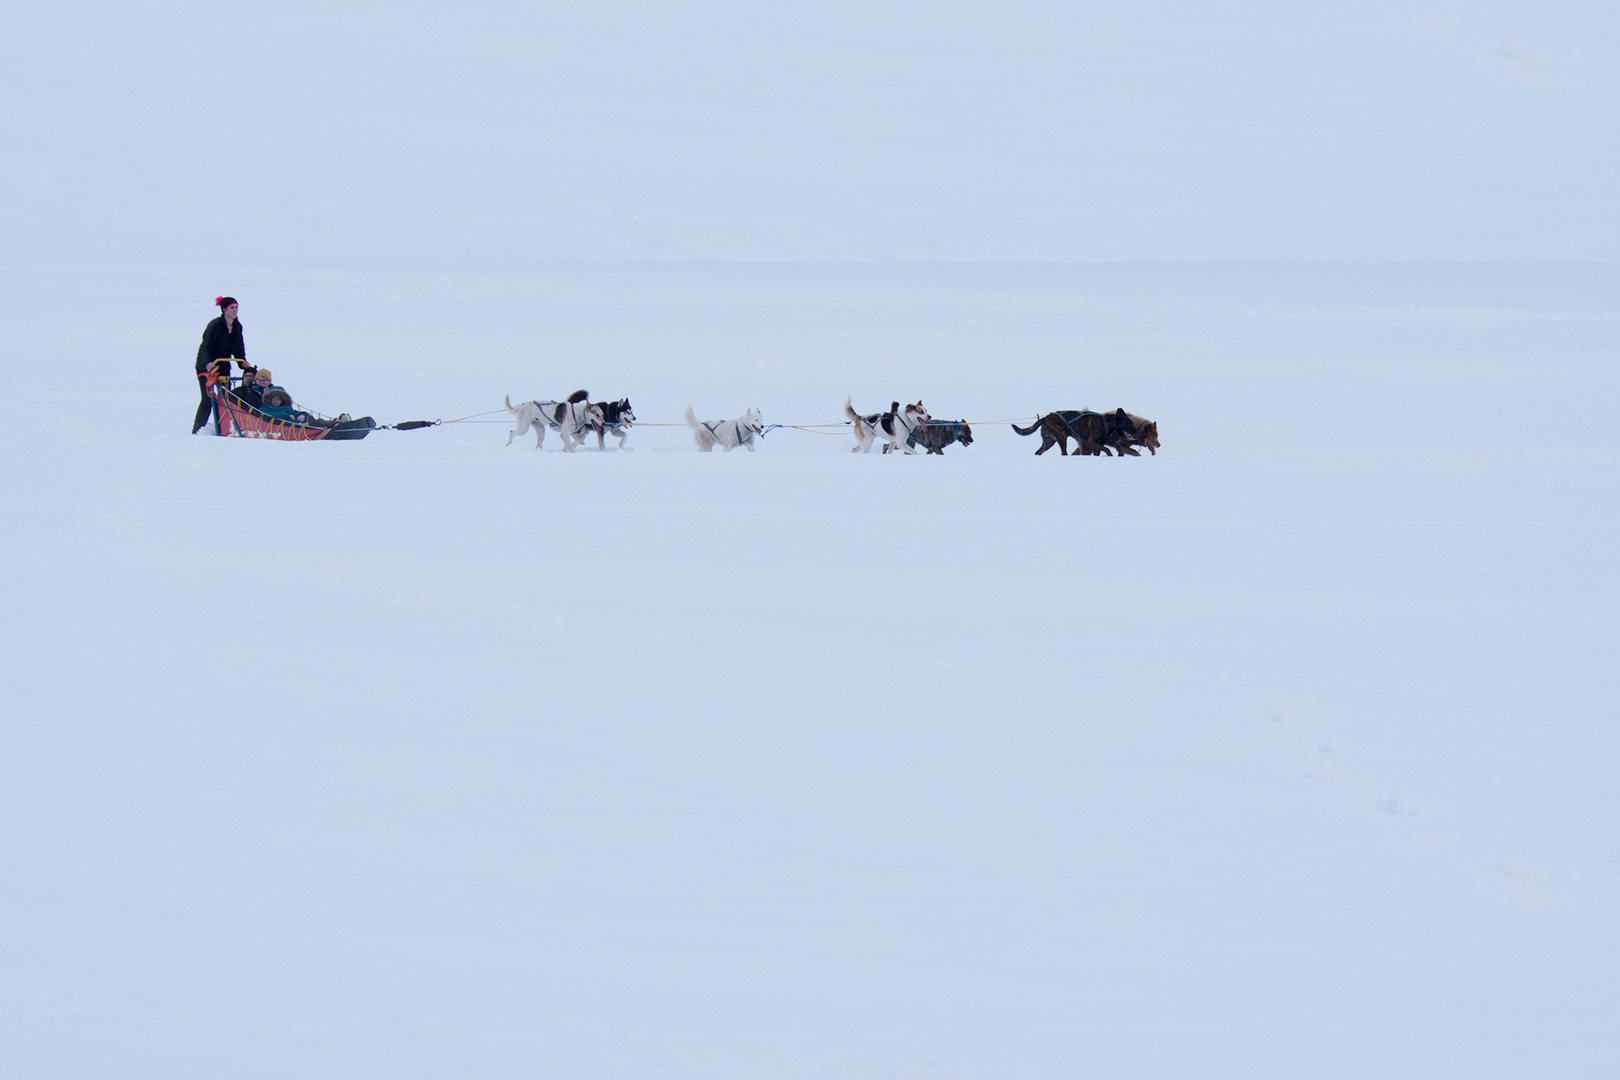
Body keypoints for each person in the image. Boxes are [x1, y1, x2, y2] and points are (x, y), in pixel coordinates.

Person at [193, 296, 247, 433]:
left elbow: (238, 348)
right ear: (224, 310)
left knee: (225, 398)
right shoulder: (215, 325)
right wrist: (207, 363)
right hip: (207, 366)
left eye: (236, 307)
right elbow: (205, 346)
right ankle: (198, 430)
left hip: (223, 365)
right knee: (207, 399)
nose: (235, 311)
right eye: (232, 308)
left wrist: (243, 363)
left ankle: (222, 428)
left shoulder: (237, 327)